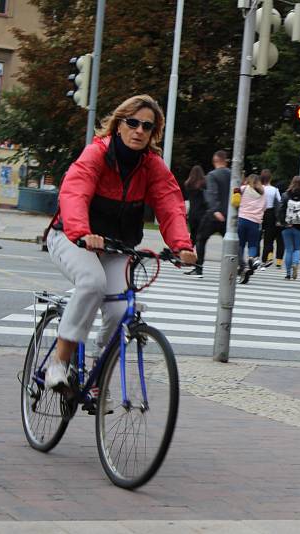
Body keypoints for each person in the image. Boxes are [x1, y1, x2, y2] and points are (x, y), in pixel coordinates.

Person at [44, 94, 196, 391]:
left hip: (116, 247)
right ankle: (58, 364)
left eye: (147, 126)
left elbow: (169, 204)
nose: (139, 130)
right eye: (133, 122)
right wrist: (81, 231)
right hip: (71, 238)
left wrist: (182, 246)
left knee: (119, 309)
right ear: (118, 125)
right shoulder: (97, 153)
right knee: (91, 281)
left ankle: (99, 374)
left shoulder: (152, 166)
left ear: (154, 133)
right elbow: (75, 192)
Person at [185, 150, 231, 278]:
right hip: (222, 214)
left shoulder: (190, 183)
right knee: (230, 240)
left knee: (199, 239)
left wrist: (214, 209)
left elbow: (211, 195)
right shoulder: (231, 175)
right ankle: (242, 265)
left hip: (203, 214)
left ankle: (197, 266)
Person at [276, 175, 300, 280]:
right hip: (299, 227)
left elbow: (280, 210)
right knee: (297, 249)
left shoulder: (285, 195)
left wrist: (283, 222)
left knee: (289, 249)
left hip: (286, 226)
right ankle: (295, 263)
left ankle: (288, 273)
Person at [237, 173, 265, 273]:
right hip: (255, 222)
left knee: (240, 243)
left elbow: (236, 201)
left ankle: (241, 264)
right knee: (253, 244)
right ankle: (251, 258)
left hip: (242, 219)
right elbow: (264, 207)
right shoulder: (262, 192)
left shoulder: (243, 188)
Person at [259, 169, 283, 270]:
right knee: (268, 239)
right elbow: (279, 203)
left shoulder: (258, 188)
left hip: (258, 212)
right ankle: (265, 260)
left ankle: (255, 257)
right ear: (270, 178)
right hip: (270, 214)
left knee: (257, 237)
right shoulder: (274, 190)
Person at [184, 165, 207, 246]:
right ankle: (199, 253)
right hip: (202, 213)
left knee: (193, 235)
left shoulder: (188, 184)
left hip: (192, 212)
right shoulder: (204, 184)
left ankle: (190, 250)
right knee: (200, 235)